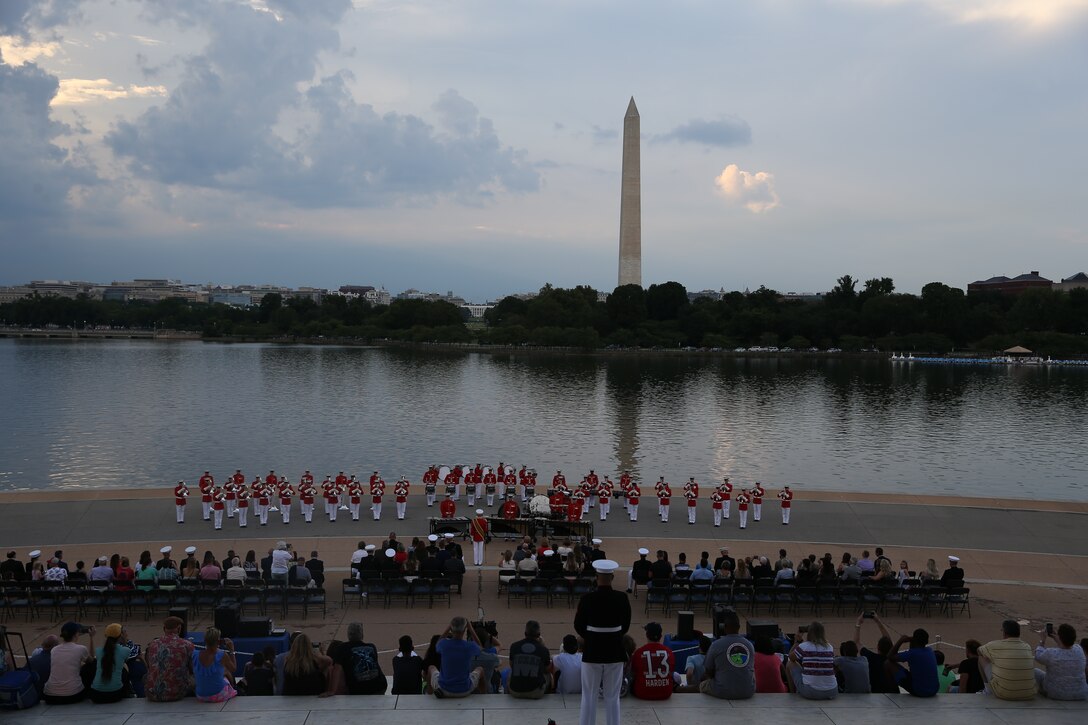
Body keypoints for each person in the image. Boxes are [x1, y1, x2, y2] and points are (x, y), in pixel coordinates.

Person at [574, 559, 631, 725]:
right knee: (612, 697)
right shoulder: (622, 598)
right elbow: (625, 626)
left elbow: (578, 625)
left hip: (592, 651)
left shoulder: (587, 598)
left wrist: (592, 637)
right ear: (612, 577)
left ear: (596, 577)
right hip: (614, 650)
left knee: (589, 697)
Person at [701, 608, 755, 699]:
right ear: (739, 627)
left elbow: (708, 670)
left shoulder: (716, 644)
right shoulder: (750, 645)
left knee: (703, 684)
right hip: (748, 691)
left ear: (724, 627)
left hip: (723, 691)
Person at [978, 619, 1036, 700]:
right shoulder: (1027, 646)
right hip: (1029, 694)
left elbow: (979, 651)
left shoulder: (994, 645)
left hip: (1004, 693)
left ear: (1004, 633)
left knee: (981, 658)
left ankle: (987, 690)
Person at [428, 617, 485, 697]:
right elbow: (480, 647)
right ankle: (484, 696)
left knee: (431, 668)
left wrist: (448, 627)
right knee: (480, 669)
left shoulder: (444, 645)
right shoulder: (469, 646)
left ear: (451, 629)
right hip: (464, 689)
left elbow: (438, 643)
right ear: (464, 630)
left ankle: (429, 694)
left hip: (444, 688)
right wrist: (471, 628)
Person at [144, 616, 194, 702]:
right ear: (179, 629)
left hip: (153, 694)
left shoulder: (152, 644)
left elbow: (149, 666)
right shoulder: (187, 645)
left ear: (164, 628)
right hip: (177, 693)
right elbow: (193, 668)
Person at [328, 622, 386, 695]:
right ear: (362, 635)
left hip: (358, 689)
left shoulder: (342, 648)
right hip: (379, 686)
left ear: (348, 635)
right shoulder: (371, 647)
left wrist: (332, 691)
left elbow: (337, 670)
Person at [43, 622, 94, 704]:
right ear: (76, 634)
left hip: (50, 696)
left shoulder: (54, 650)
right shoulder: (81, 649)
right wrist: (91, 637)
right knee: (88, 667)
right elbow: (92, 661)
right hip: (72, 695)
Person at [1034, 623, 1086, 700]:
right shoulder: (1079, 650)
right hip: (1080, 693)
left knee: (1035, 671)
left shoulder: (1051, 653)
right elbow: (1068, 647)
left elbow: (1038, 656)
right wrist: (1059, 640)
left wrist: (1042, 640)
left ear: (1060, 637)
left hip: (1055, 693)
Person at [787, 621, 837, 700]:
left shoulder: (804, 646)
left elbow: (790, 657)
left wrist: (797, 642)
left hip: (812, 692)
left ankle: (792, 693)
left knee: (790, 664)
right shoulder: (829, 647)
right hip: (832, 691)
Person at [852, 612, 898, 693]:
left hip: (876, 692)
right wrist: (878, 621)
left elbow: (856, 643)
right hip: (893, 692)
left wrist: (858, 623)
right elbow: (888, 640)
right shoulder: (893, 658)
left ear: (878, 647)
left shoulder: (871, 657)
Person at [506, 620, 552, 699]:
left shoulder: (514, 646)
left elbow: (511, 665)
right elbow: (547, 669)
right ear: (539, 635)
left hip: (515, 691)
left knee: (510, 673)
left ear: (525, 633)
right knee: (549, 676)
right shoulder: (543, 650)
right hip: (536, 692)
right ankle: (551, 696)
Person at [89, 623, 132, 703]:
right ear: (120, 635)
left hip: (96, 695)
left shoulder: (99, 651)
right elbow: (123, 659)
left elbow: (92, 655)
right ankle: (130, 693)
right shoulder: (125, 651)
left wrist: (91, 637)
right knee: (124, 667)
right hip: (115, 695)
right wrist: (125, 639)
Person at [889, 628, 939, 697]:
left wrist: (900, 641)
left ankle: (890, 690)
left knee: (888, 663)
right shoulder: (930, 650)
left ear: (914, 640)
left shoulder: (912, 654)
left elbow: (890, 656)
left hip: (919, 691)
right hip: (934, 690)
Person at [630, 622, 675, 700]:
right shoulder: (669, 652)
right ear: (661, 636)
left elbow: (633, 673)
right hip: (665, 692)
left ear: (647, 635)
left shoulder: (639, 652)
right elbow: (671, 672)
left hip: (642, 692)